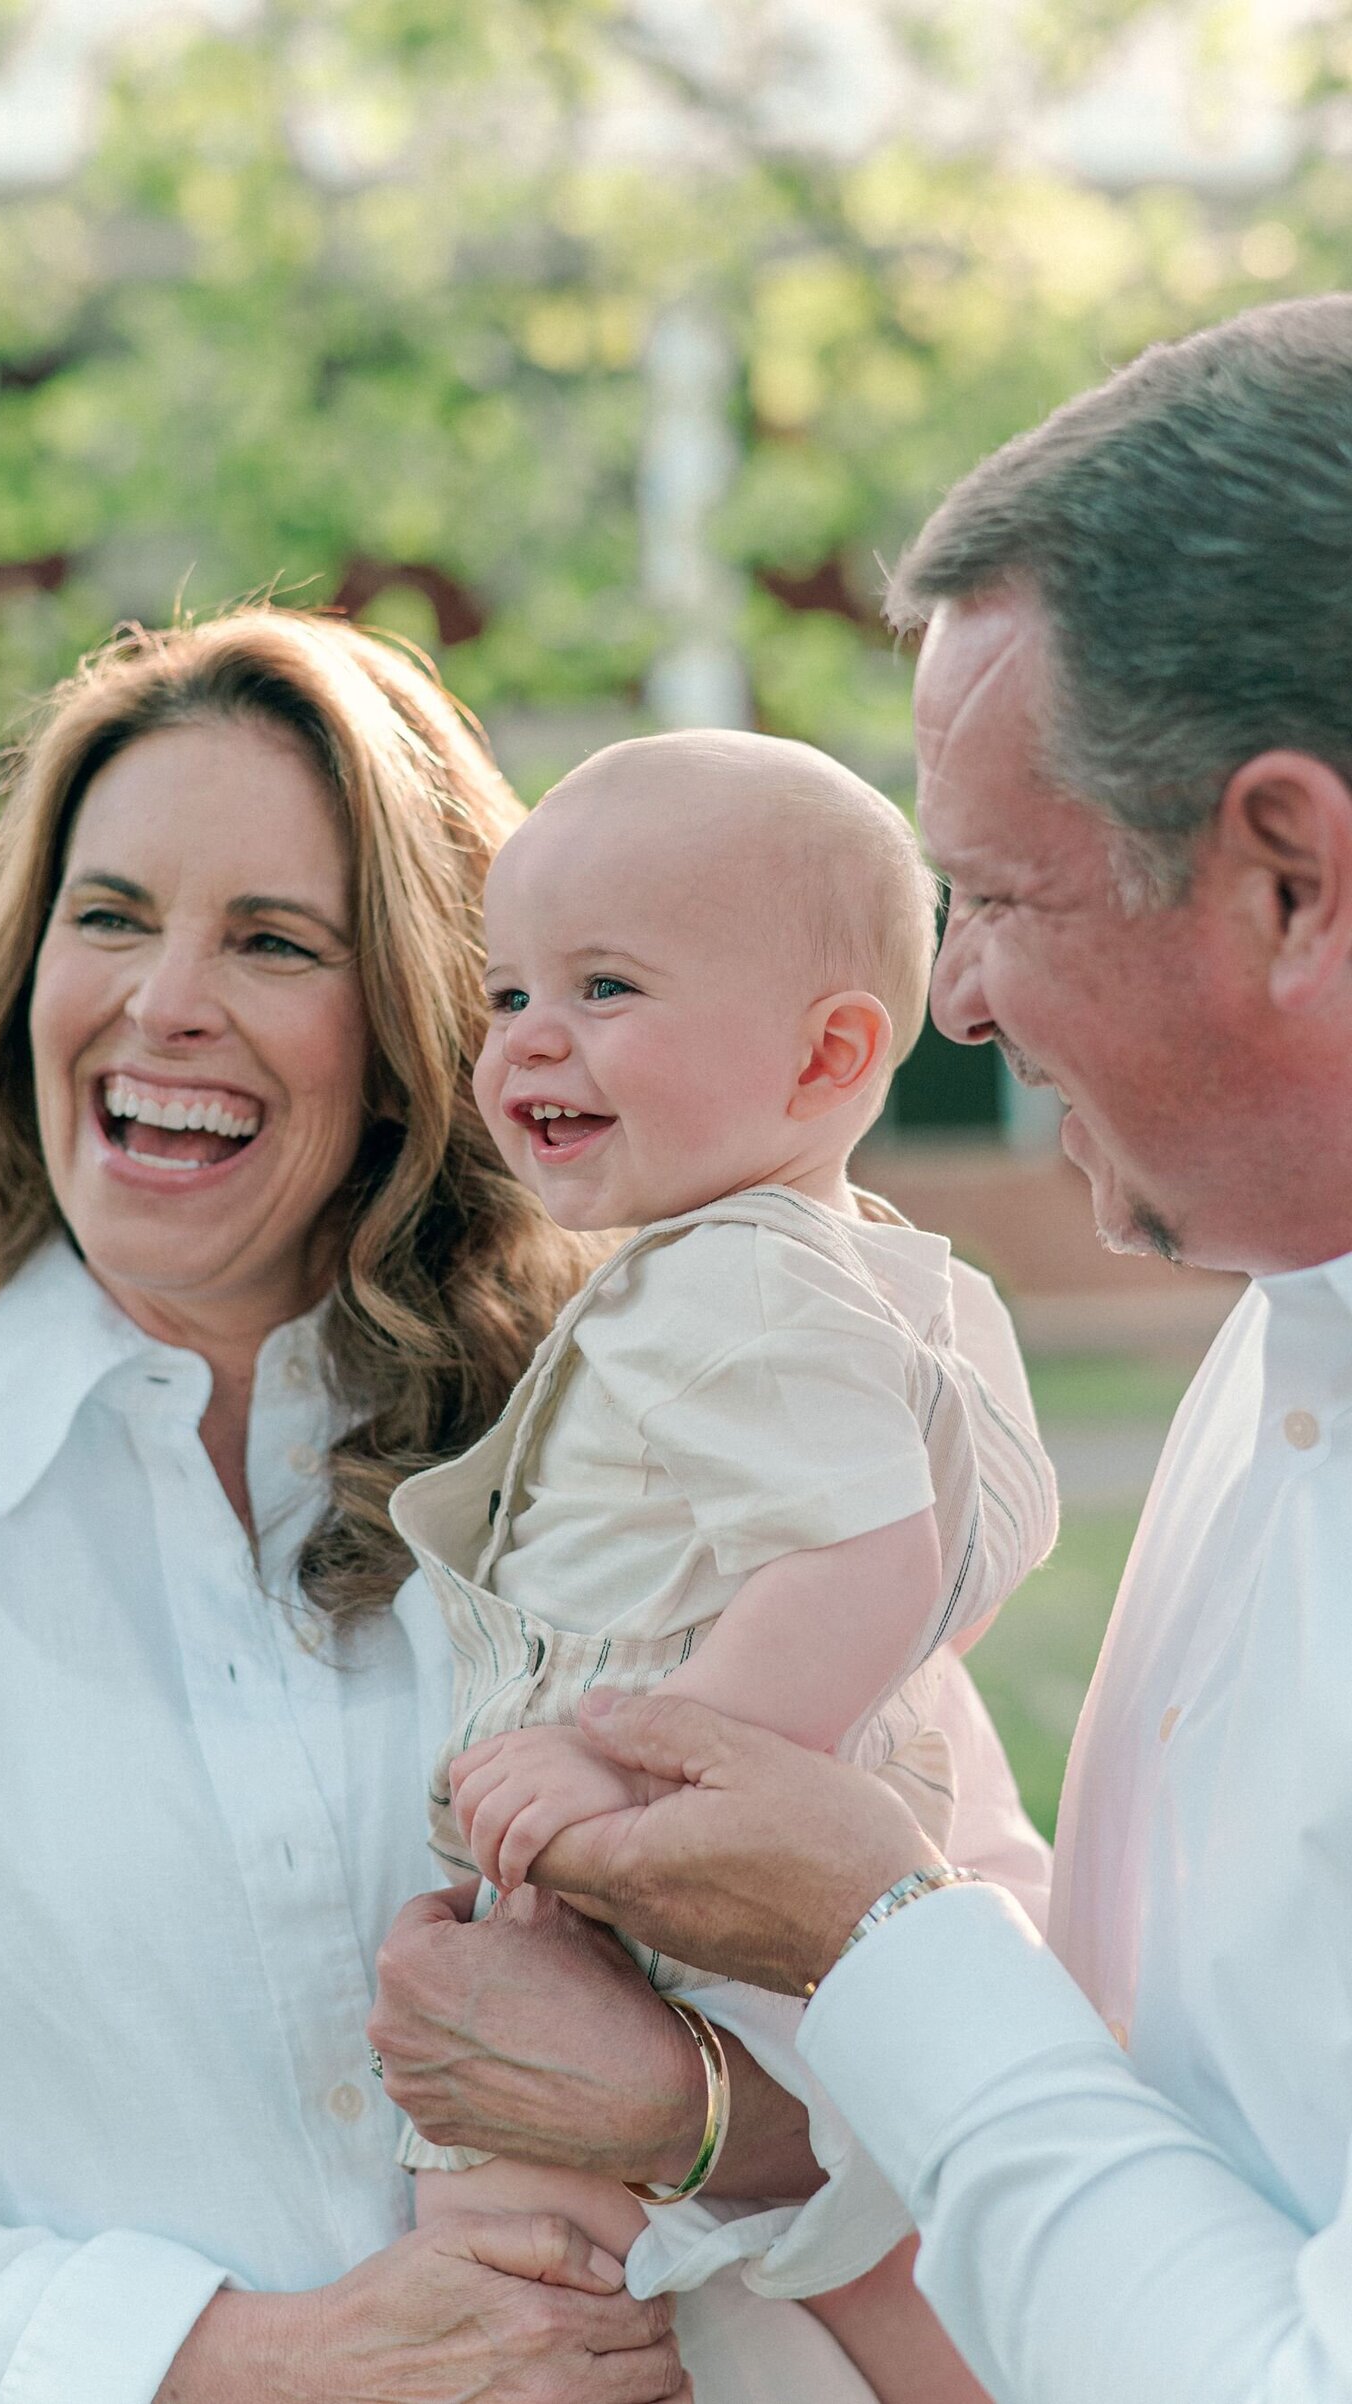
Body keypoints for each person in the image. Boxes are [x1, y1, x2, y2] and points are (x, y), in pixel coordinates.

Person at [0, 603, 1035, 2403]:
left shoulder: (659, 1414)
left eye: (276, 941)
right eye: (107, 915)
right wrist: (267, 2363)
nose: (164, 1000)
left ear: (416, 1026)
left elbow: (1013, 2058)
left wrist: (699, 2119)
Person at [513, 293, 1352, 2404]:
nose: (949, 1001)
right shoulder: (1271, 1345)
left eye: (988, 894)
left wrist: (874, 1942)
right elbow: (1174, 2140)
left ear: (1285, 877)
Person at [393, 728, 1056, 2347]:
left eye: (607, 991)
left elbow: (867, 1567)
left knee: (518, 2236)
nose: (531, 1043)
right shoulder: (902, 1279)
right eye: (510, 996)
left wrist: (639, 1776)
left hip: (692, 1887)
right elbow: (969, 1558)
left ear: (830, 1060)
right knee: (854, 2269)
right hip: (794, 1891)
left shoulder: (723, 1283)